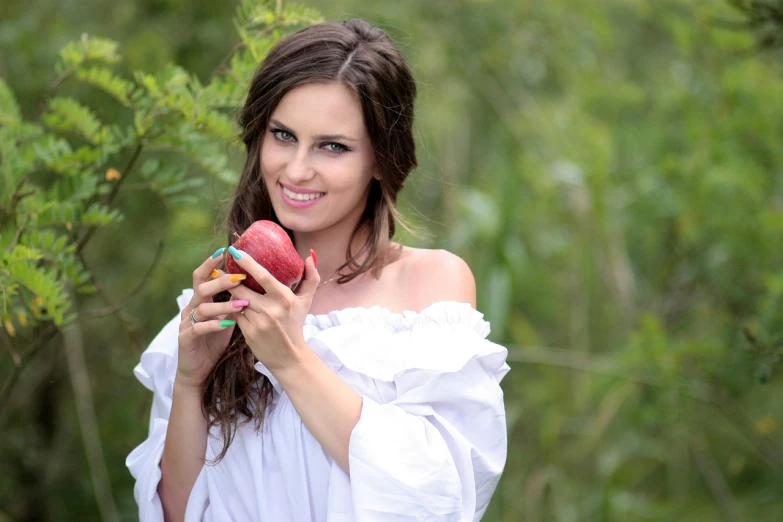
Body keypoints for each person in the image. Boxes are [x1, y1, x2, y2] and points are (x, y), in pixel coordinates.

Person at [126, 18, 510, 522]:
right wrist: (191, 382)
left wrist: (288, 358)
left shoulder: (429, 288)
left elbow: (437, 499)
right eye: (283, 136)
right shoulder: (218, 304)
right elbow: (175, 513)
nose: (297, 169)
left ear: (380, 160)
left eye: (333, 146)